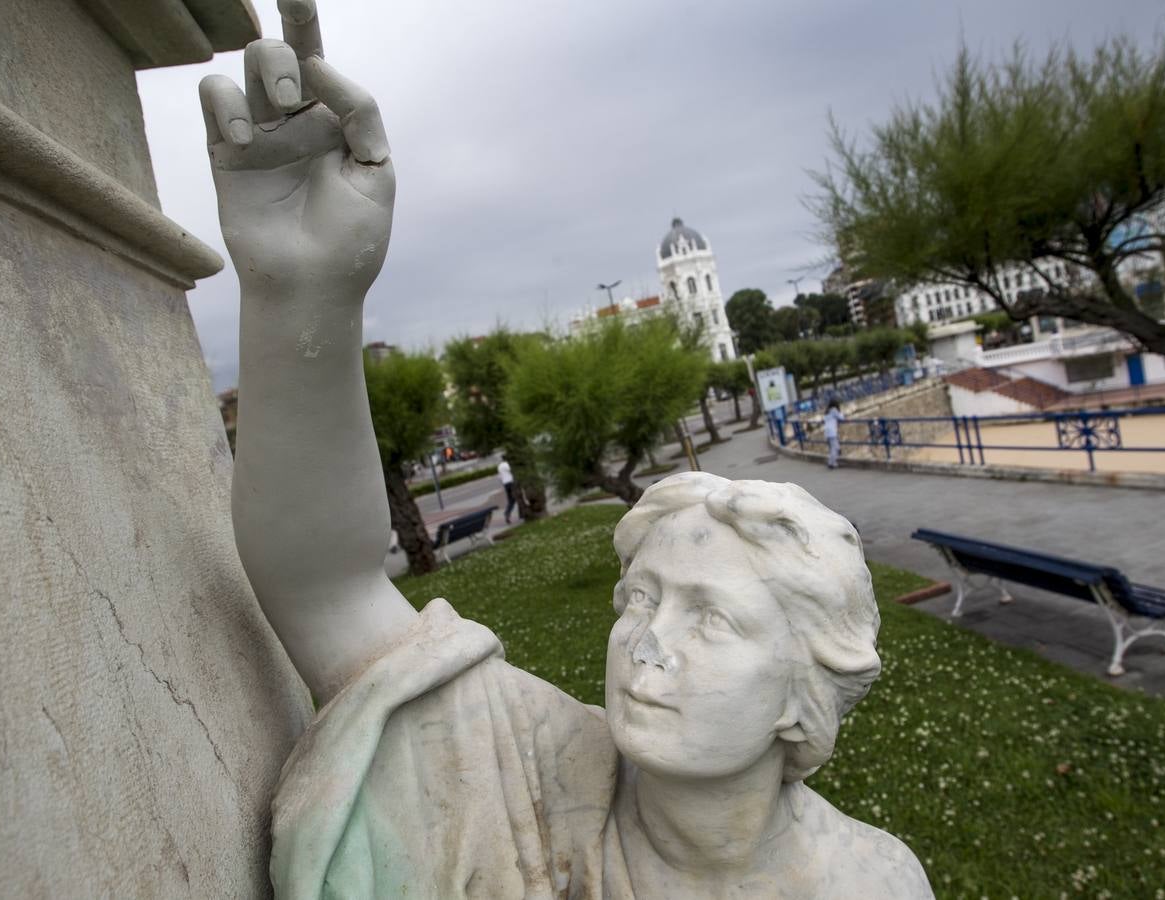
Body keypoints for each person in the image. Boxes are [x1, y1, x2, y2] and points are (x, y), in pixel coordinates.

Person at [201, 4, 932, 896]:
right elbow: (328, 592)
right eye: (640, 600)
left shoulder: (875, 884)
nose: (645, 646)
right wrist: (301, 296)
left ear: (801, 695)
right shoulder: (512, 769)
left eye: (711, 618)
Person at [823, 400, 843, 469]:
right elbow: (841, 417)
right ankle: (830, 463)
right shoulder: (834, 410)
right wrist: (840, 413)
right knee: (834, 448)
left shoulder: (826, 411)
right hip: (832, 432)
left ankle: (834, 463)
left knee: (834, 447)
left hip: (826, 431)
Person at [497, 458, 517, 522]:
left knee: (511, 500)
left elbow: (500, 477)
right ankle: (523, 514)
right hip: (511, 482)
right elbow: (512, 471)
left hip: (505, 484)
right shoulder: (507, 464)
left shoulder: (499, 466)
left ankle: (507, 513)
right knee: (518, 497)